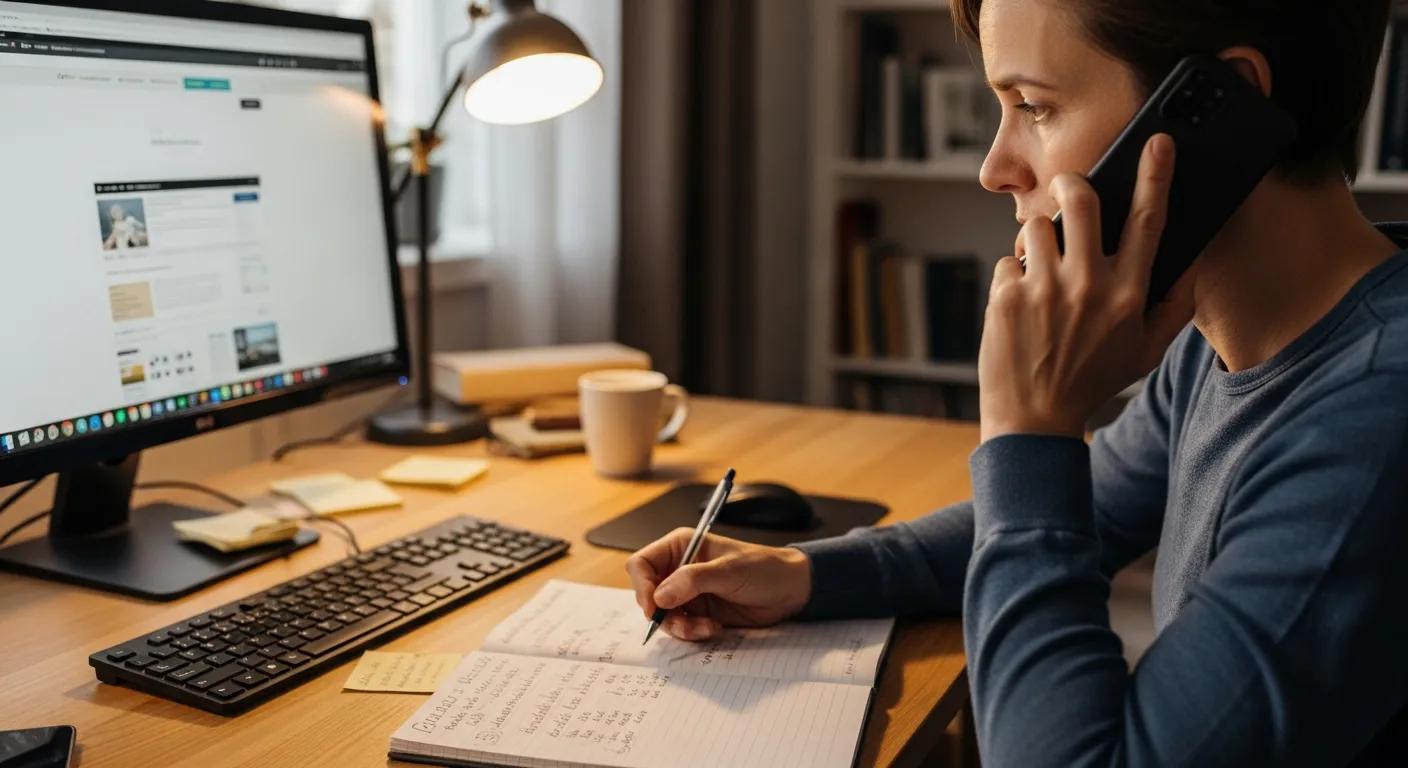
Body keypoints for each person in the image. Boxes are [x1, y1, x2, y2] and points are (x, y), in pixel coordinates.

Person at [626, 1, 1408, 765]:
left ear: (1218, 106)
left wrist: (1028, 428)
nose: (995, 169)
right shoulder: (1226, 336)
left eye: (1033, 106)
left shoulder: (1373, 427)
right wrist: (806, 574)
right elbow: (1078, 510)